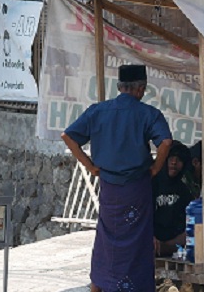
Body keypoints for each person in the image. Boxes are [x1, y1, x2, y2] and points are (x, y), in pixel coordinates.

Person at [61, 64, 172, 292]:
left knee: (106, 240)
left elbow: (68, 136)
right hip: (137, 188)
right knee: (138, 241)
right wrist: (155, 168)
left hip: (109, 188)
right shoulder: (148, 114)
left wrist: (90, 166)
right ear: (141, 88)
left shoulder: (98, 111)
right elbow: (166, 142)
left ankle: (100, 286)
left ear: (120, 87)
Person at [153, 141, 193, 257]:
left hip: (175, 247)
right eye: (171, 158)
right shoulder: (151, 185)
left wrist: (168, 246)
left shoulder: (184, 190)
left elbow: (190, 223)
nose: (174, 162)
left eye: (179, 159)